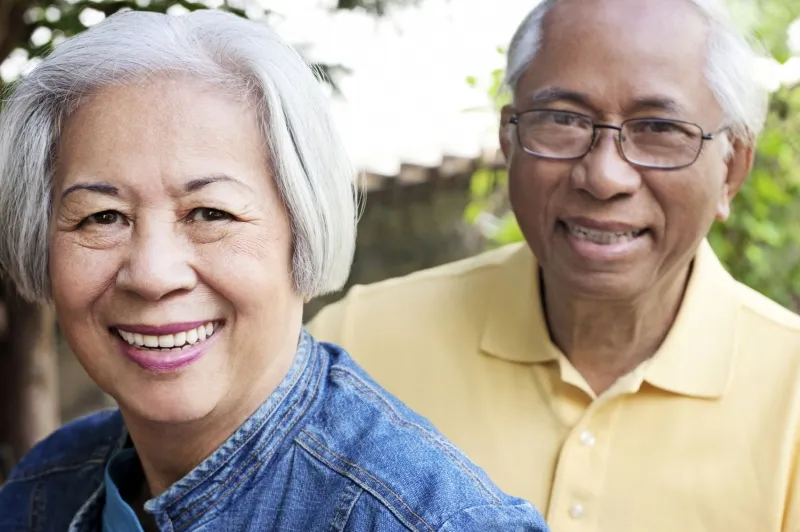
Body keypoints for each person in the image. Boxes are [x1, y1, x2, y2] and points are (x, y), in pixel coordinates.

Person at [0, 10, 550, 532]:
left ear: (303, 229)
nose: (152, 273)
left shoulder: (429, 519)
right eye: (102, 217)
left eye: (210, 213)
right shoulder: (45, 485)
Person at [307, 0, 800, 530]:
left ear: (732, 169)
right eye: (563, 120)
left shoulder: (790, 396)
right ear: (508, 141)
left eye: (659, 128)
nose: (604, 177)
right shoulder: (356, 347)